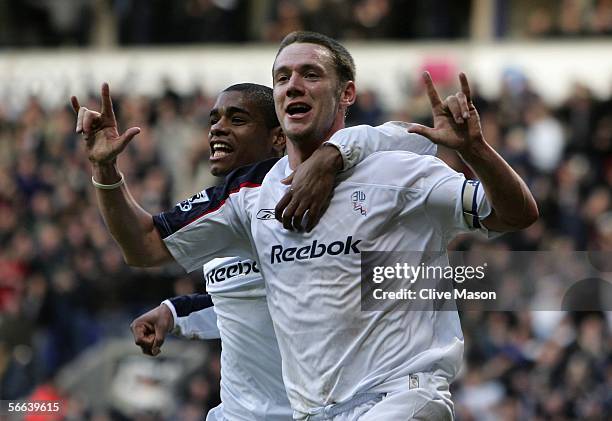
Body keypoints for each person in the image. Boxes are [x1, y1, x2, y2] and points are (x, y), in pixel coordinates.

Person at [147, 32, 537, 420]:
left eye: (311, 74)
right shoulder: (256, 198)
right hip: (310, 412)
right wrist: (176, 311)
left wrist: (476, 151)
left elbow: (515, 214)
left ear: (347, 94)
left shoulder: (398, 171)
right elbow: (231, 292)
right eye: (282, 78)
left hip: (399, 399)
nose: (294, 85)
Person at [72, 78, 437, 419]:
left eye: (237, 119)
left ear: (279, 137)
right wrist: (176, 311)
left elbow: (418, 138)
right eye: (214, 119)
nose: (217, 127)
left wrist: (334, 153)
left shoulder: (326, 189)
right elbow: (235, 294)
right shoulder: (225, 206)